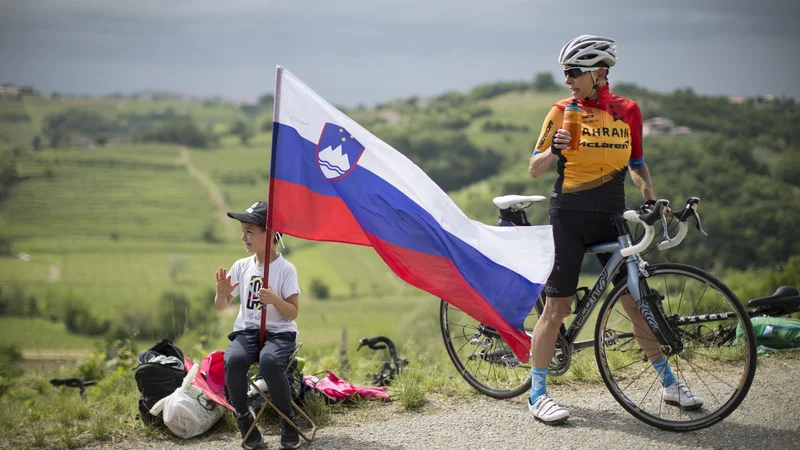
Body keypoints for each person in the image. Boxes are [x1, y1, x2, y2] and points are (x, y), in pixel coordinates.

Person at [526, 35, 703, 424]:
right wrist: (554, 149)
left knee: (634, 301)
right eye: (566, 72)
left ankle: (669, 383)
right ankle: (537, 395)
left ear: (600, 72)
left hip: (611, 217)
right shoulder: (560, 111)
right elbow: (534, 168)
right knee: (557, 308)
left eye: (574, 72)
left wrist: (650, 197)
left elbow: (637, 162)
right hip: (569, 216)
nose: (568, 79)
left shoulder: (629, 111)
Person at [215, 201, 302, 449]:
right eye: (243, 231)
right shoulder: (241, 267)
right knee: (233, 360)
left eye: (249, 231)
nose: (243, 237)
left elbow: (293, 313)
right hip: (248, 331)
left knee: (269, 362)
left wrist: (275, 300)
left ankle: (288, 420)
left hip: (279, 334)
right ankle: (244, 418)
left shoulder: (286, 270)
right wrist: (221, 294)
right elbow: (222, 305)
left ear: (271, 234)